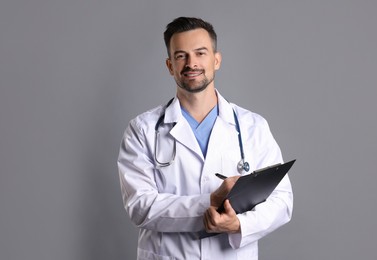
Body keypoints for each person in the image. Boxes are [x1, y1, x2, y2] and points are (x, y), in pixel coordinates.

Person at [117, 17, 293, 260]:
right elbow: (140, 207)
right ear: (170, 66)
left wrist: (238, 225)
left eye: (200, 53)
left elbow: (282, 201)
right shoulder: (142, 130)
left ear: (216, 60)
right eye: (181, 56)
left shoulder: (253, 127)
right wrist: (209, 202)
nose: (192, 63)